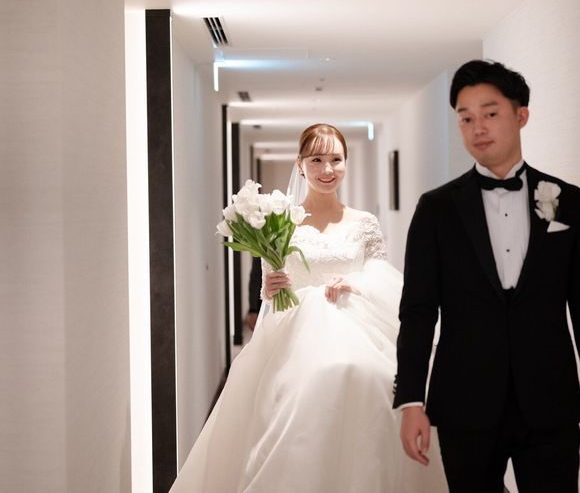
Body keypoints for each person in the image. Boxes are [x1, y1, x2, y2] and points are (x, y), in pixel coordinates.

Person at [170, 123, 446, 493]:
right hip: (298, 334)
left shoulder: (365, 222)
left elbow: (382, 275)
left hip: (359, 328)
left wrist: (356, 284)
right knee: (299, 404)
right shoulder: (280, 223)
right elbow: (270, 293)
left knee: (376, 386)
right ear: (300, 165)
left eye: (336, 159)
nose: (327, 169)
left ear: (346, 162)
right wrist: (272, 287)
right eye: (316, 160)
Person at [395, 59, 580, 492]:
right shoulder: (436, 209)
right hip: (465, 400)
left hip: (551, 399)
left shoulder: (569, 202)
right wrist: (411, 399)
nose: (477, 128)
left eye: (490, 113)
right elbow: (418, 310)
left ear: (521, 115)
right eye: (466, 118)